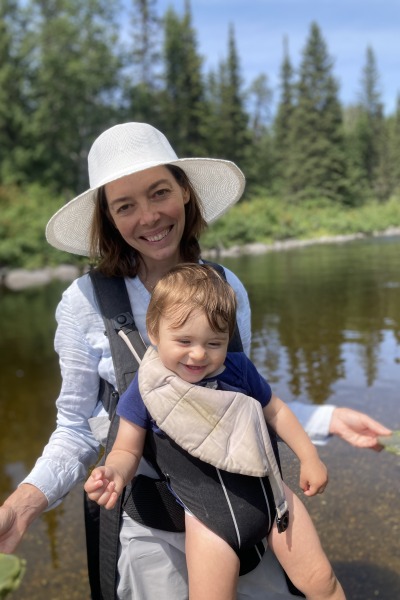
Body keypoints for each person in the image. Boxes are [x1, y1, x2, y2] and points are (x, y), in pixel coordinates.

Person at [0, 122, 391, 600]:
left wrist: (328, 420)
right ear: (108, 216)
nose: (148, 217)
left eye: (159, 192)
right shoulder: (85, 302)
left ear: (184, 191)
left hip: (248, 502)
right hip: (154, 523)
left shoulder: (227, 286)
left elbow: (239, 400)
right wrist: (22, 506)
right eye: (125, 205)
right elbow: (78, 429)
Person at [85, 263, 346, 600]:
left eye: (214, 342)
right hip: (207, 523)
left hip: (274, 500)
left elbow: (277, 412)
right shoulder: (146, 388)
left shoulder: (238, 370)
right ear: (154, 330)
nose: (198, 354)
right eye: (184, 340)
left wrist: (310, 457)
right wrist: (113, 472)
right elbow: (127, 449)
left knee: (321, 581)